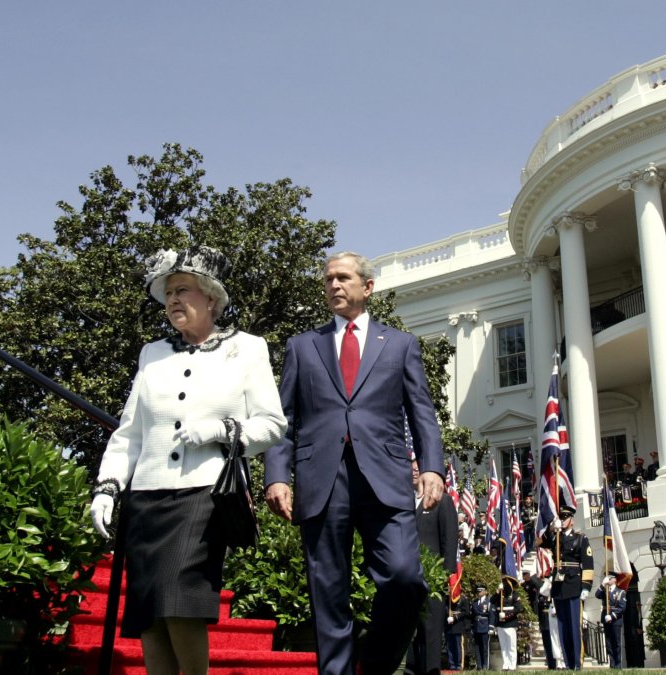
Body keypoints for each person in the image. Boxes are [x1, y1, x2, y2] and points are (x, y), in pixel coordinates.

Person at [89, 246, 287, 675]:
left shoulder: (248, 350)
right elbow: (130, 432)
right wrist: (108, 486)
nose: (173, 300)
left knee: (180, 600)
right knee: (150, 614)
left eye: (183, 291)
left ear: (211, 298)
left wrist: (223, 431)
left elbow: (272, 425)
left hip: (204, 493)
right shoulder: (152, 354)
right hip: (146, 496)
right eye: (169, 293)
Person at [264, 251, 445, 675]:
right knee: (327, 589)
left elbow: (422, 412)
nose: (333, 285)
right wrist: (277, 475)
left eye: (343, 278)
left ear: (367, 287)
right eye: (328, 279)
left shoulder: (400, 345)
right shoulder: (301, 346)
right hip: (320, 477)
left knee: (405, 576)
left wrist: (432, 466)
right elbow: (283, 420)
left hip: (385, 477)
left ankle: (373, 665)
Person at [407, 459, 458, 675]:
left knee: (430, 630)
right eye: (411, 465)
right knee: (407, 629)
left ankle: (430, 670)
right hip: (405, 577)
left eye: (419, 465)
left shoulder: (442, 502)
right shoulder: (402, 501)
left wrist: (445, 576)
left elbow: (449, 541)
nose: (415, 470)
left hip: (432, 580)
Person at [539, 505, 594, 670]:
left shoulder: (580, 538)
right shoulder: (556, 538)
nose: (562, 521)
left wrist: (586, 586)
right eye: (561, 518)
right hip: (559, 587)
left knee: (573, 627)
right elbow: (540, 541)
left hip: (574, 584)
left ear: (572, 521)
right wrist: (550, 528)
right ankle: (568, 663)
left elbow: (588, 564)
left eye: (565, 518)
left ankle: (578, 662)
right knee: (562, 628)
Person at [595, 573, 626, 669]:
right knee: (608, 643)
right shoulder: (605, 591)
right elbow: (597, 595)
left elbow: (622, 607)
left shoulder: (621, 592)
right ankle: (612, 664)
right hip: (605, 618)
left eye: (609, 578)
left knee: (616, 643)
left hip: (615, 620)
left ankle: (618, 664)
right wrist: (602, 585)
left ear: (614, 580)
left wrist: (612, 616)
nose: (607, 579)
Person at [494, 577, 521, 670]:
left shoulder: (515, 594)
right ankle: (506, 664)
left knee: (511, 646)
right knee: (504, 646)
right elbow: (492, 601)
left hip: (510, 622)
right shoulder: (500, 594)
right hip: (501, 623)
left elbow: (518, 608)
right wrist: (497, 592)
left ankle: (512, 665)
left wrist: (506, 616)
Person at [445, 592, 471, 671]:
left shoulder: (463, 598)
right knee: (450, 646)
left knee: (458, 646)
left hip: (458, 625)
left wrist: (455, 617)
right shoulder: (448, 598)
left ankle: (459, 664)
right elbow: (445, 608)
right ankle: (452, 664)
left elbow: (466, 612)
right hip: (449, 626)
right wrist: (448, 615)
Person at [470, 585, 493, 670]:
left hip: (485, 626)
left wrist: (491, 627)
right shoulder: (475, 602)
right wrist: (472, 627)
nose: (479, 592)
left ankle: (485, 666)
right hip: (476, 627)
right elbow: (472, 616)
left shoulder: (489, 601)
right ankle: (479, 665)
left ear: (485, 592)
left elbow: (491, 615)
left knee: (484, 647)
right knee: (477, 647)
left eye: (481, 591)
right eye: (478, 591)